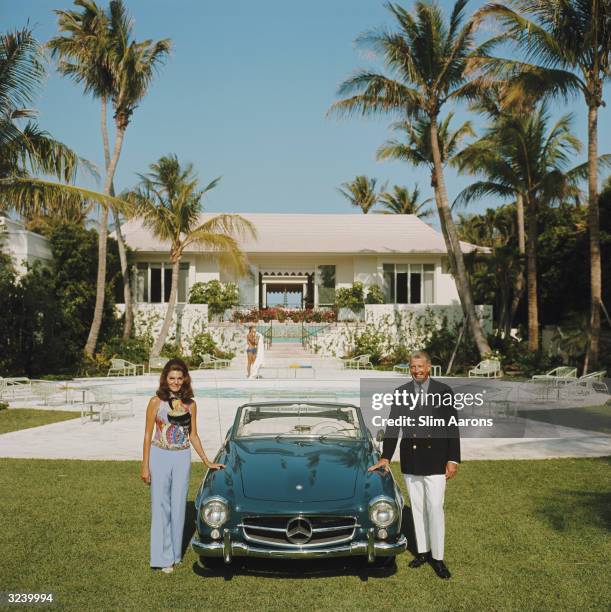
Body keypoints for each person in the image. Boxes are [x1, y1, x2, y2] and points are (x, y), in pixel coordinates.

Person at [369, 350, 460, 579]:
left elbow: (452, 428)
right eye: (412, 367)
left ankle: (437, 558)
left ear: (429, 367)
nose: (416, 371)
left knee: (435, 508)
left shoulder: (444, 391)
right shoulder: (401, 393)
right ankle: (422, 552)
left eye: (420, 367)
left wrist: (453, 459)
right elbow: (392, 427)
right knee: (417, 509)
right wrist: (386, 457)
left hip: (437, 460)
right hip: (412, 459)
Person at [141, 358, 224, 573]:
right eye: (171, 378)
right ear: (165, 379)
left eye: (179, 378)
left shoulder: (191, 404)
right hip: (159, 455)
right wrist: (145, 466)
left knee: (178, 507)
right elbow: (148, 434)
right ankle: (161, 557)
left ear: (184, 379)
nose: (176, 382)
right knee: (160, 507)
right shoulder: (155, 402)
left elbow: (193, 435)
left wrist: (207, 460)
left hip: (181, 457)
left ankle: (175, 554)